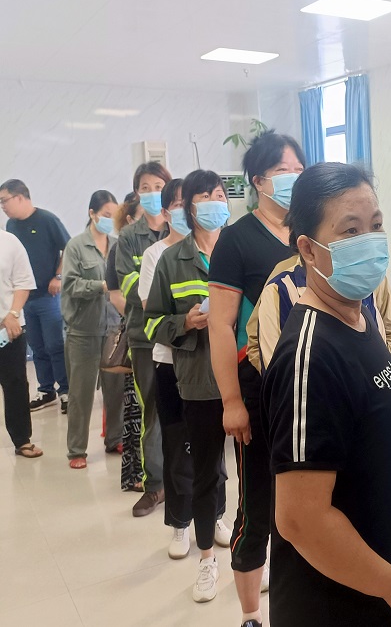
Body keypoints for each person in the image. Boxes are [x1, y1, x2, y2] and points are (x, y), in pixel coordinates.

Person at [262, 162, 391, 627]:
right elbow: (300, 519)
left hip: (382, 582)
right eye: (350, 230)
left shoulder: (358, 318)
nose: (370, 240)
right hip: (341, 602)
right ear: (308, 249)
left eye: (375, 225)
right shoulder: (308, 356)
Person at [208, 130, 304, 626]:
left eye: (298, 169)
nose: (293, 178)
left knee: (308, 501)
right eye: (282, 170)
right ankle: (250, 614)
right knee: (258, 505)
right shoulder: (237, 239)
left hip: (311, 390)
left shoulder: (313, 228)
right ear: (258, 181)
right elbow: (221, 326)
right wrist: (231, 401)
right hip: (260, 390)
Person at [144, 170, 231, 603]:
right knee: (202, 466)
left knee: (248, 468)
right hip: (197, 378)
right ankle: (204, 558)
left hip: (244, 375)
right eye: (205, 195)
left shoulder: (238, 248)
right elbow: (151, 323)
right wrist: (186, 322)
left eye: (220, 194)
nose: (215, 201)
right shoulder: (170, 259)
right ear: (189, 207)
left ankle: (246, 547)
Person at [117, 162, 172, 518]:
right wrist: (167, 293)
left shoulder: (181, 228)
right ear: (137, 193)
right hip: (143, 336)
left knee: (188, 409)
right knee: (152, 409)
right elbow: (129, 286)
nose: (152, 193)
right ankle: (155, 486)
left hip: (182, 334)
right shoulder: (128, 237)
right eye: (145, 187)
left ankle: (187, 479)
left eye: (158, 186)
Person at [247, 254, 391, 374]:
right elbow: (256, 343)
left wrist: (379, 377)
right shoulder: (282, 286)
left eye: (376, 226)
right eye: (350, 230)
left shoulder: (372, 278)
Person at [62, 190, 124, 468]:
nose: (110, 220)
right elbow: (70, 285)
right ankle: (77, 450)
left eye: (114, 215)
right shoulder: (76, 246)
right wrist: (101, 286)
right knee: (81, 393)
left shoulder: (117, 245)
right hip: (83, 330)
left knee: (116, 390)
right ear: (92, 214)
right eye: (106, 215)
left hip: (113, 328)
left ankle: (115, 439)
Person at [1, 179, 71, 413]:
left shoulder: (47, 220)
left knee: (55, 345)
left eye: (4, 200)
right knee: (37, 347)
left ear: (20, 197)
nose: (3, 206)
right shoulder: (11, 226)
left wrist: (58, 276)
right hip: (22, 300)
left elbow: (68, 248)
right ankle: (46, 389)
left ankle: (65, 390)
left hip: (47, 296)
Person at [1, 222, 42, 459]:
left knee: (15, 384)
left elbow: (23, 282)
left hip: (9, 327)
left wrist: (13, 313)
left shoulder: (9, 242)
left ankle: (22, 439)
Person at [109, 192, 142, 484]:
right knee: (137, 410)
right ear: (130, 219)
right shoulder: (120, 248)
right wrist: (141, 312)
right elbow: (116, 294)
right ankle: (137, 474)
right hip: (136, 330)